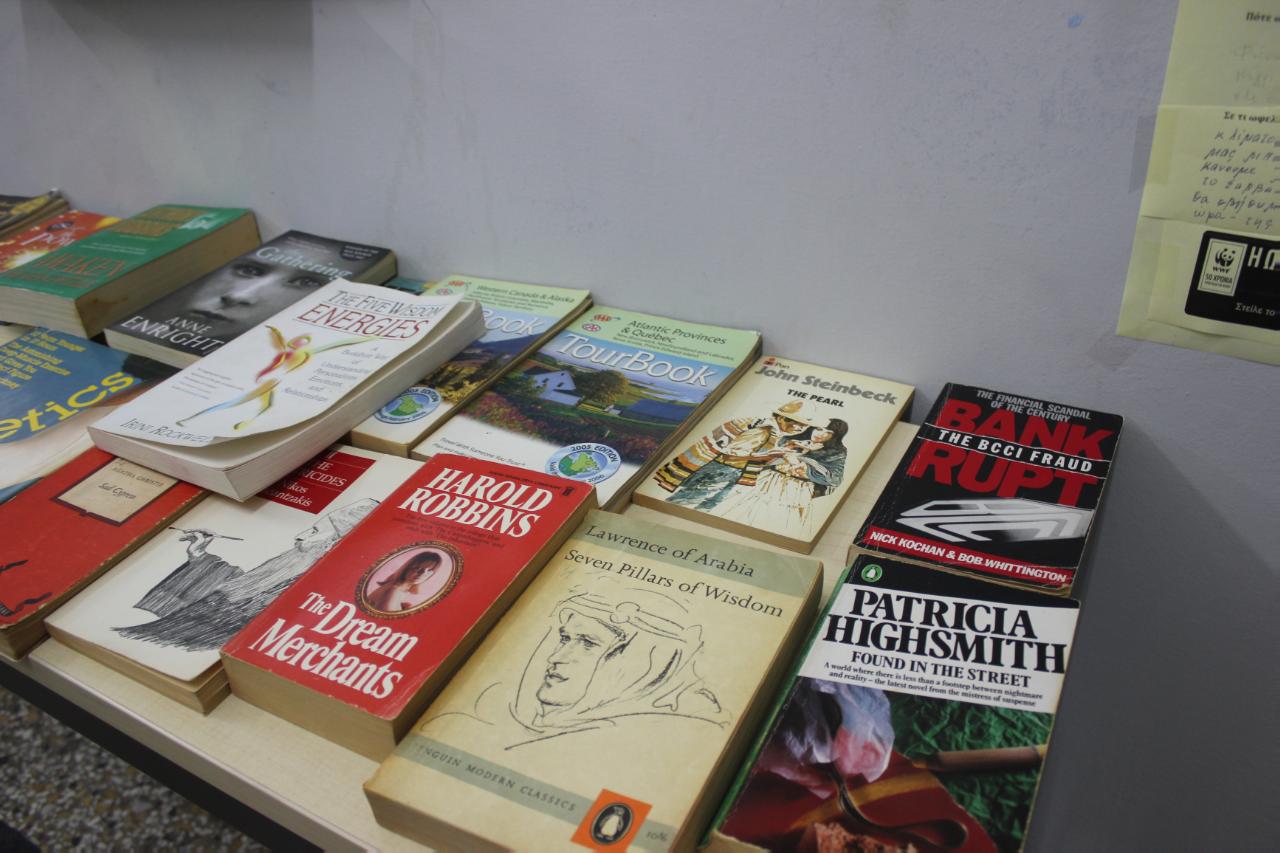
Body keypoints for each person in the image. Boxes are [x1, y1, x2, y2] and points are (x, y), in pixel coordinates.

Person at [653, 399, 821, 511]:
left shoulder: (764, 427)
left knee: (709, 503)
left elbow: (756, 450)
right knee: (688, 502)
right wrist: (768, 455)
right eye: (797, 423)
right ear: (781, 418)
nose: (799, 428)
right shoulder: (763, 430)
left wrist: (786, 448)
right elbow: (730, 457)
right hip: (721, 471)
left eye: (804, 426)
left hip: (728, 471)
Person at [714, 418, 849, 537]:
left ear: (836, 436)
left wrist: (803, 465)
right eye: (818, 429)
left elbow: (835, 478)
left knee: (783, 524)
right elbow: (766, 460)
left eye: (828, 432)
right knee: (744, 515)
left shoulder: (837, 452)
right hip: (769, 481)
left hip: (797, 490)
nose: (820, 434)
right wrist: (788, 450)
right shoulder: (791, 438)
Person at [366, 550, 442, 613]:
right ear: (407, 568)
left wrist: (401, 607)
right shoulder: (393, 591)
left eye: (429, 570)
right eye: (418, 568)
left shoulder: (400, 588)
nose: (422, 574)